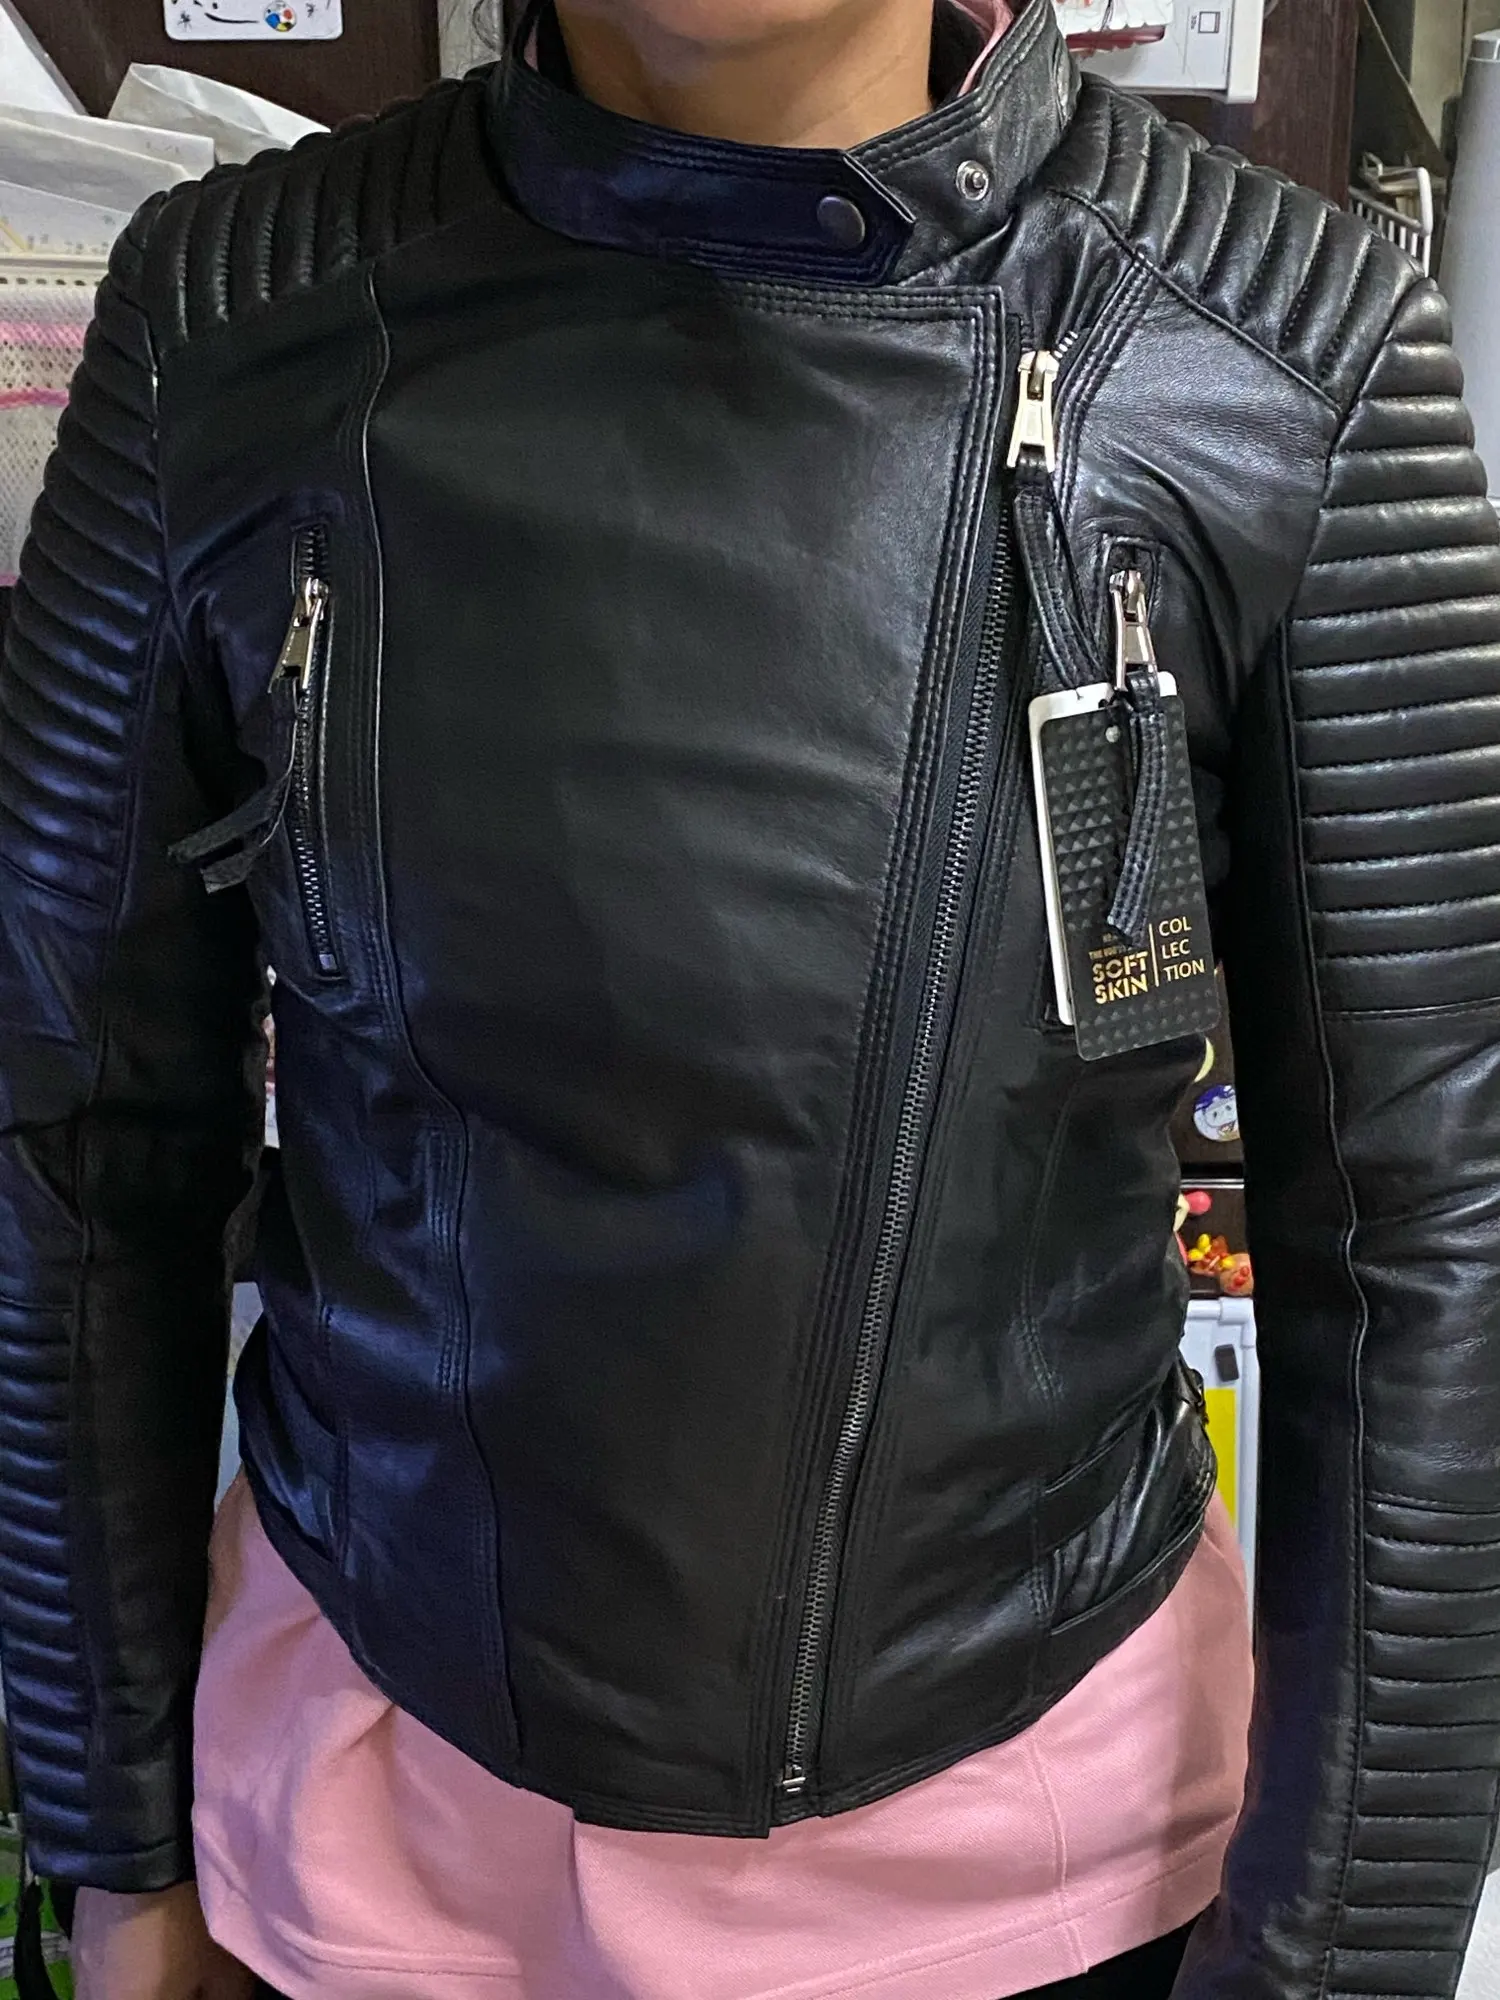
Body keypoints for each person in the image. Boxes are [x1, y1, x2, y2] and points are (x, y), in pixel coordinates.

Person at [2, 0, 1499, 1995]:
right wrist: (112, 1844)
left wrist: (1340, 1953)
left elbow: (1427, 1222)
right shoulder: (226, 315)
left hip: (1044, 1852)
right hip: (366, 1839)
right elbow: (77, 1138)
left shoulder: (1285, 341)